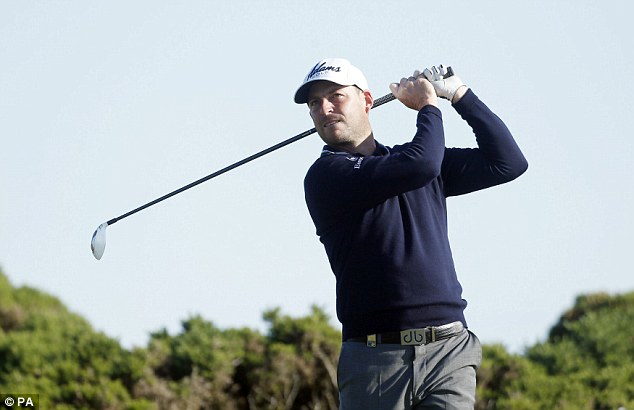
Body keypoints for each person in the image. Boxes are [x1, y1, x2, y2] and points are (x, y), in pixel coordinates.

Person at [295, 58, 528, 409]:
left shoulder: (413, 161)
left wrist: (460, 95)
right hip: (374, 360)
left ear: (368, 101)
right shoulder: (326, 175)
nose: (325, 108)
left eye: (335, 96)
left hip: (448, 351)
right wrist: (428, 106)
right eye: (315, 103)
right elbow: (420, 164)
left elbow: (508, 162)